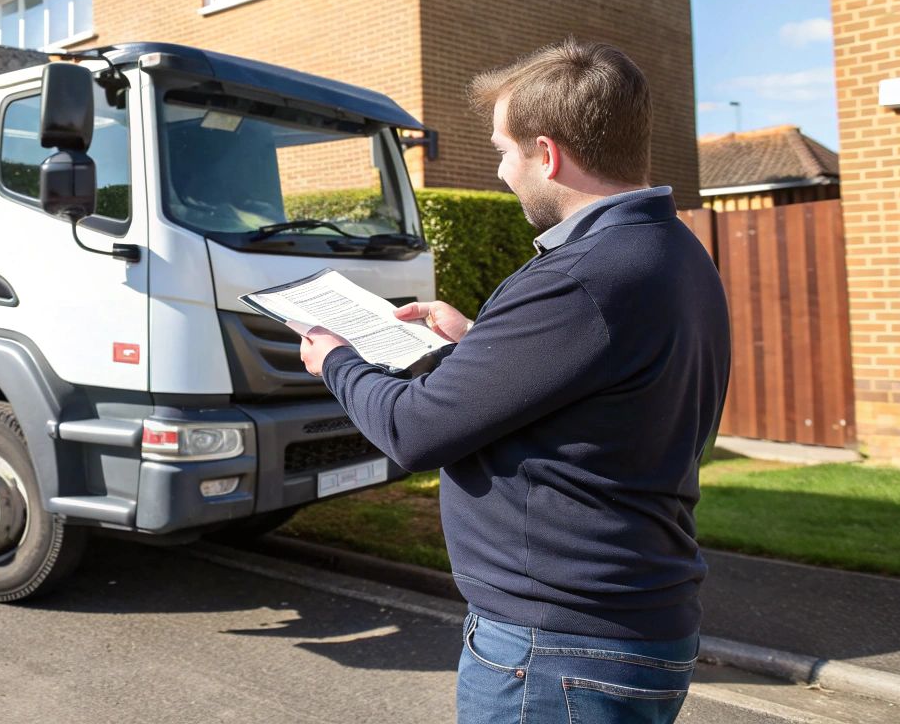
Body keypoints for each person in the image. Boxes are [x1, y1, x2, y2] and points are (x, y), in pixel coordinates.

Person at [299, 40, 731, 724]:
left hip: (558, 649)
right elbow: (599, 393)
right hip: (618, 627)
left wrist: (337, 359)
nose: (501, 172)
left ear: (548, 154)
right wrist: (477, 345)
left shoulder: (581, 277)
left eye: (503, 151)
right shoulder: (670, 251)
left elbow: (413, 430)